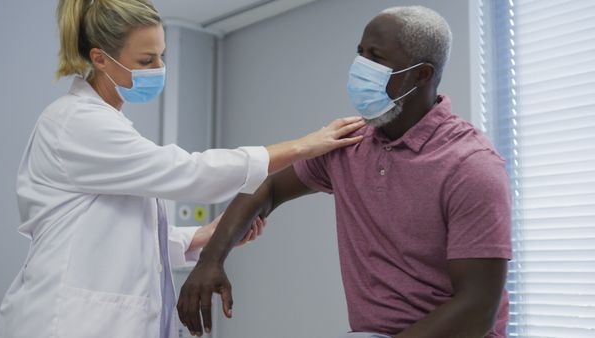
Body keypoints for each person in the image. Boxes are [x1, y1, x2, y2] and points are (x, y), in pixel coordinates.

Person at [0, 0, 366, 337]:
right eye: (146, 61)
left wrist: (202, 236)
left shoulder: (107, 125)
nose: (160, 68)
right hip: (66, 322)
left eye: (161, 56)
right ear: (100, 58)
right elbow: (191, 172)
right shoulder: (76, 123)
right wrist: (305, 145)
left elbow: (125, 235)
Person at [178, 6, 512, 338]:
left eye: (376, 57)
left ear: (421, 74)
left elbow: (476, 310)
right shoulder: (351, 142)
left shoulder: (470, 165)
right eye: (360, 53)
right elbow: (269, 187)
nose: (360, 67)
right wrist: (211, 260)